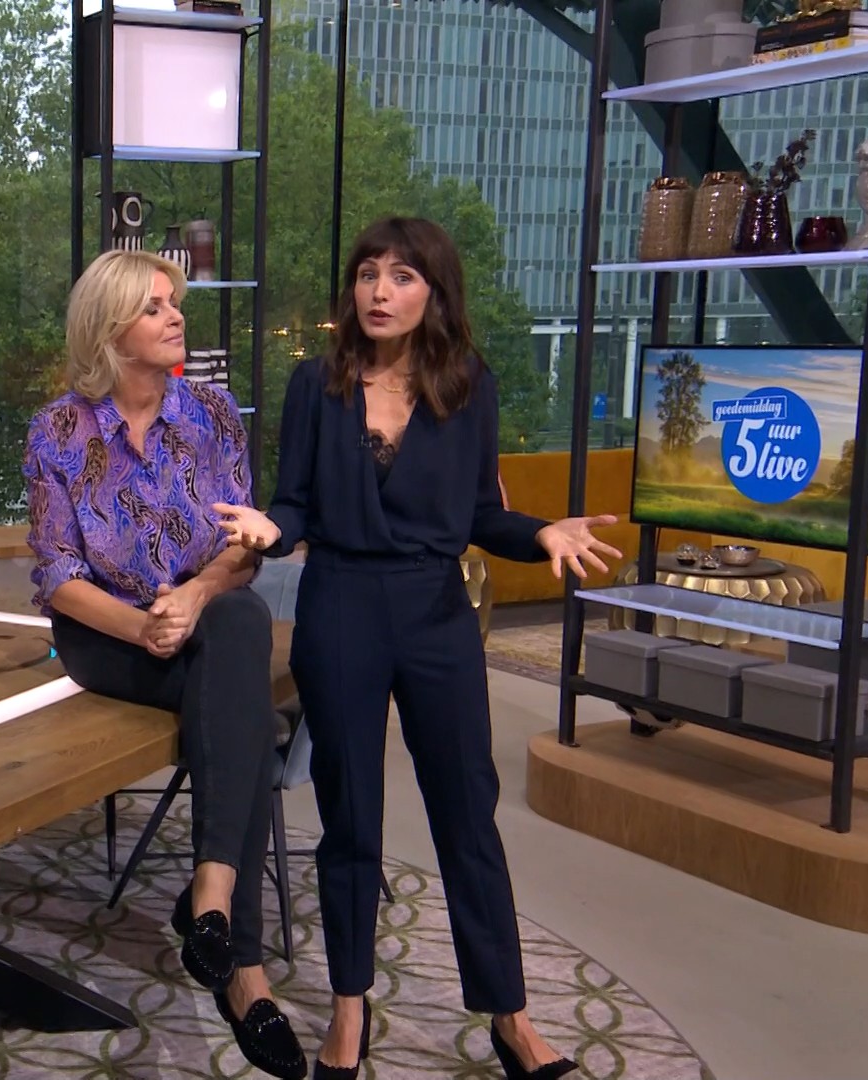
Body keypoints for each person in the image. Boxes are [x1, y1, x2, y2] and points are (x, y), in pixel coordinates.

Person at [215, 217, 619, 1080]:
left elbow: (480, 514)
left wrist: (541, 531)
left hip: (436, 614)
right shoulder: (315, 384)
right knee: (351, 817)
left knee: (468, 812)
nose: (379, 291)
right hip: (342, 606)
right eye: (368, 273)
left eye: (401, 276)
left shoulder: (467, 383)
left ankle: (511, 1018)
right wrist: (267, 530)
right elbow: (295, 503)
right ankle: (349, 1010)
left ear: (433, 291)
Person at [24, 249, 308, 1080]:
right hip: (104, 634)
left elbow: (242, 548)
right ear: (109, 329)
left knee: (239, 614)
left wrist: (193, 597)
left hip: (202, 618)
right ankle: (233, 954)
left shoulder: (212, 414)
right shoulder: (59, 430)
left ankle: (219, 915)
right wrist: (144, 626)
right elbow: (58, 574)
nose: (176, 315)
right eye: (153, 307)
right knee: (243, 710)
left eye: (174, 302)